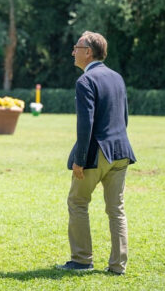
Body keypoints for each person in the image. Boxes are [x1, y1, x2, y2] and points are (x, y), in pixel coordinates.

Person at [56, 31, 136, 275]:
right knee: (116, 210)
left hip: (97, 153)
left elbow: (85, 124)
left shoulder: (85, 81)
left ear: (88, 51)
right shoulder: (117, 77)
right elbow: (124, 119)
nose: (73, 51)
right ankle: (118, 265)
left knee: (77, 202)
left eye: (76, 47)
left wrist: (79, 160)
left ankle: (81, 260)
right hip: (121, 151)